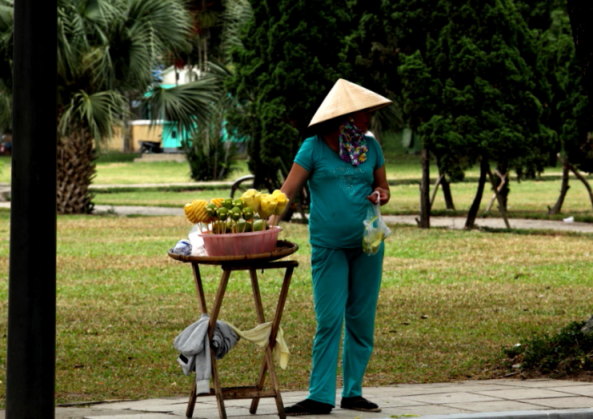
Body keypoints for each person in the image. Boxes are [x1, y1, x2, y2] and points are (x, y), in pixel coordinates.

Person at [275, 79, 392, 415]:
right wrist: (270, 225)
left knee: (361, 319)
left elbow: (383, 187)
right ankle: (320, 396)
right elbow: (287, 192)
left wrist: (380, 194)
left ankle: (353, 393)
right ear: (346, 116)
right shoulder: (312, 148)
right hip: (329, 247)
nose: (369, 119)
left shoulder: (371, 147)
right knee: (329, 320)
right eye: (365, 113)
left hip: (368, 245)